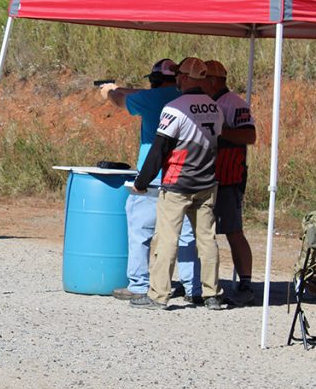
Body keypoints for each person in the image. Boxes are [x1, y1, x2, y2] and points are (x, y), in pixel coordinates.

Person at [101, 59, 201, 304]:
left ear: (154, 81)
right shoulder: (186, 98)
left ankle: (139, 284)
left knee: (140, 231)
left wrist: (109, 91)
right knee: (187, 234)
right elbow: (143, 93)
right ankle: (193, 287)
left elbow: (121, 102)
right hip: (184, 174)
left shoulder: (149, 99)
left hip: (152, 175)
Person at [130, 57, 226, 310]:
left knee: (166, 239)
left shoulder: (175, 108)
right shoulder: (215, 107)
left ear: (183, 78)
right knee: (207, 240)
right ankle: (212, 294)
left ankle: (158, 295)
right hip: (206, 182)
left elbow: (160, 148)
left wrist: (142, 182)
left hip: (177, 183)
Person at [204, 60, 257, 306]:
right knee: (201, 232)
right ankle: (201, 282)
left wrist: (219, 130)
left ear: (214, 81)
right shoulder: (203, 102)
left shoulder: (233, 103)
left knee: (233, 231)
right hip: (204, 175)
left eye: (202, 79)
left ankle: (246, 282)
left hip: (229, 177)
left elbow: (249, 135)